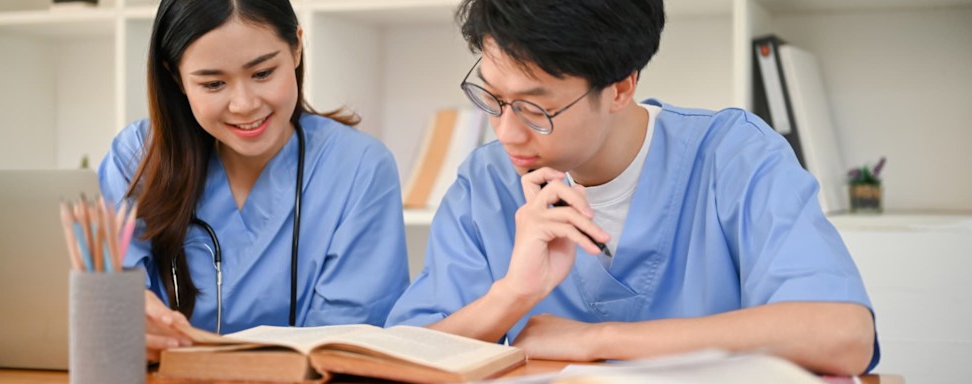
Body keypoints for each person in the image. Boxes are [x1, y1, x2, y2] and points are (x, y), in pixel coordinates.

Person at [386, 0, 878, 375]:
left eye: (535, 109)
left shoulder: (733, 155)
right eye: (492, 98)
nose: (506, 133)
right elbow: (399, 356)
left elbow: (843, 334)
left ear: (621, 87)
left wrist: (598, 340)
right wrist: (512, 295)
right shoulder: (486, 182)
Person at [98, 0, 409, 361]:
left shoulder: (359, 168)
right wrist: (127, 316)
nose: (244, 104)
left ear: (296, 48)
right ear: (175, 78)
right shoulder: (136, 159)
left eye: (262, 73)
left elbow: (346, 347)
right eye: (213, 83)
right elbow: (107, 293)